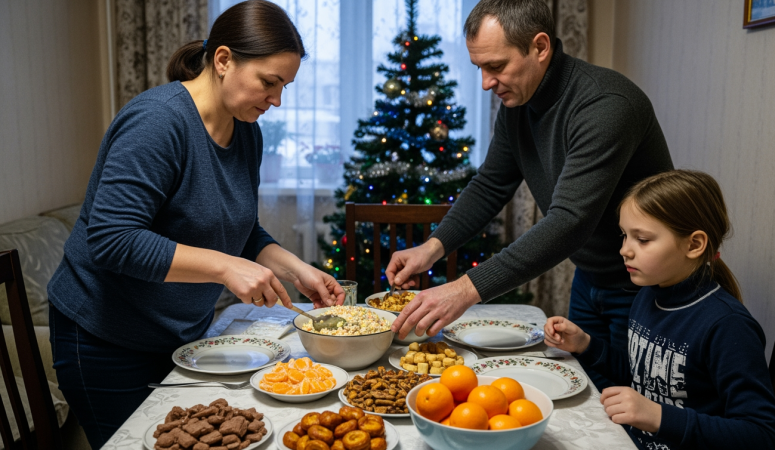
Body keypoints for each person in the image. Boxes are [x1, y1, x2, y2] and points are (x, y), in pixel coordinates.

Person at [47, 1, 344, 447]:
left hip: (181, 334)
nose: (278, 100)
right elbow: (112, 239)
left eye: (285, 87)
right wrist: (225, 267)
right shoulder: (158, 121)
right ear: (223, 60)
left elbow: (238, 228)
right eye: (270, 82)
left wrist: (295, 268)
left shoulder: (246, 131)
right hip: (106, 339)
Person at [387, 0, 672, 390]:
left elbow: (569, 222)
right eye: (480, 68)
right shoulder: (519, 103)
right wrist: (433, 247)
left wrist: (464, 290)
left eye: (496, 66)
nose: (486, 82)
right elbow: (490, 184)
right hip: (591, 278)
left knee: (631, 404)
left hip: (647, 286)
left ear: (540, 47)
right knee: (591, 391)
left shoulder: (605, 105)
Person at [544, 170, 775, 449]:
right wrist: (586, 345)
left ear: (694, 244)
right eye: (625, 236)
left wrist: (659, 417)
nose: (624, 250)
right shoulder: (647, 296)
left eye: (642, 239)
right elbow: (644, 378)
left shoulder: (727, 325)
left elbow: (764, 436)